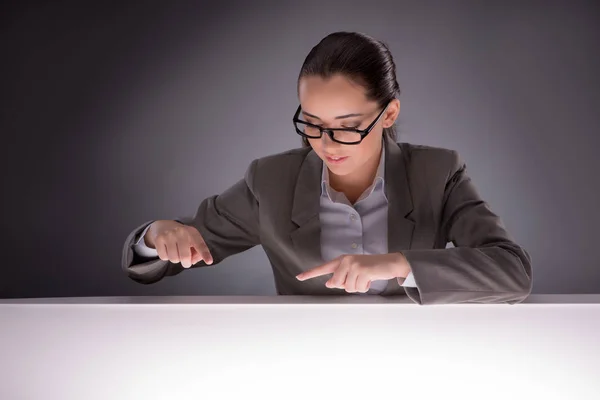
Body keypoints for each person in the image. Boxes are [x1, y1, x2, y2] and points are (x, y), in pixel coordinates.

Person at [121, 31, 533, 305]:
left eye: (349, 127)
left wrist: (398, 263)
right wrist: (156, 237)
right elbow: (159, 259)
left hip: (421, 362)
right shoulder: (270, 181)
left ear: (388, 115)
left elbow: (512, 271)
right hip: (306, 364)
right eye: (313, 124)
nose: (326, 144)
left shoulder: (438, 172)